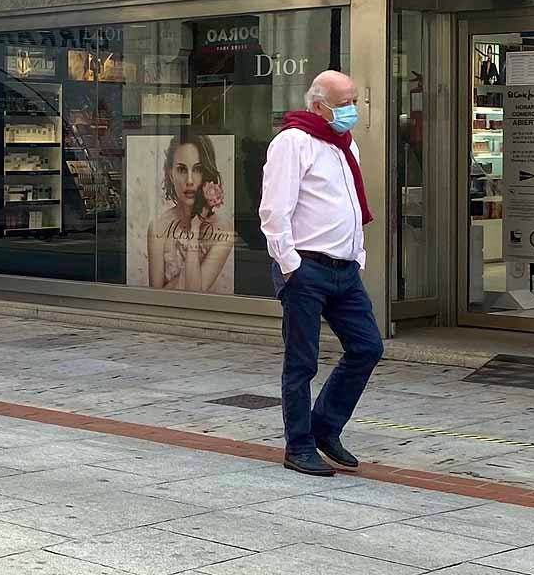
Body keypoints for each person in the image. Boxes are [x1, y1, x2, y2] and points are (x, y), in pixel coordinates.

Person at [259, 70, 384, 477]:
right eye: (344, 102)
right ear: (318, 105)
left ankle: (325, 428)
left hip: (344, 270)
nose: (351, 110)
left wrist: (358, 254)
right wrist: (289, 265)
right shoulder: (293, 142)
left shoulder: (345, 145)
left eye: (353, 101)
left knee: (367, 347)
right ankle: (298, 445)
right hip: (306, 268)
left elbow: (349, 203)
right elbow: (275, 210)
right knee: (302, 362)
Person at [147, 130, 234, 292]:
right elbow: (156, 299)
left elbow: (195, 293)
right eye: (181, 169)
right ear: (170, 174)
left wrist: (195, 230)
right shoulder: (158, 227)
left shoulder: (223, 230)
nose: (189, 180)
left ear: (207, 173)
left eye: (198, 169)